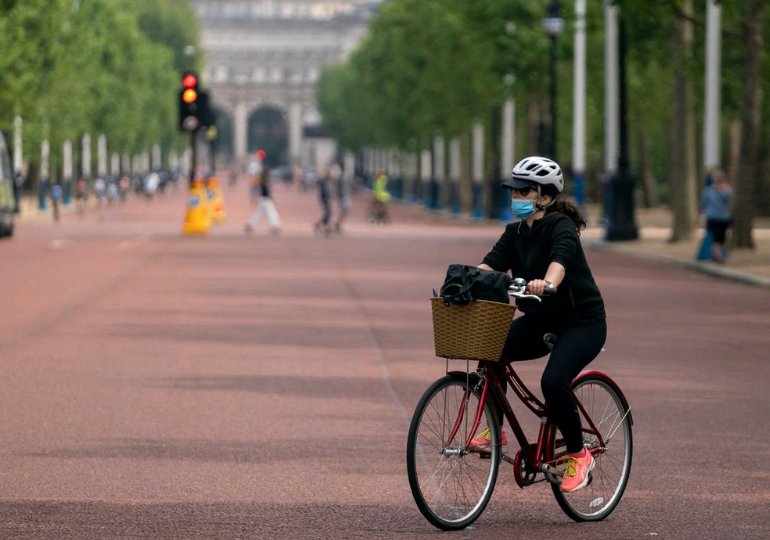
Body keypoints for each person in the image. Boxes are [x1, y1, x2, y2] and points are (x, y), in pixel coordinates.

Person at [474, 156, 606, 493]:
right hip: (540, 319)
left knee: (553, 381)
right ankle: (494, 430)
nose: (515, 196)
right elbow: (490, 264)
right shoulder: (514, 232)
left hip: (582, 323)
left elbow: (560, 260)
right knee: (491, 350)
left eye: (523, 191)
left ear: (544, 198)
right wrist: (466, 279)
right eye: (513, 190)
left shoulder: (560, 226)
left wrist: (546, 283)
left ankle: (579, 454)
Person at [699, 169, 733, 264]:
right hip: (712, 217)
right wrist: (700, 214)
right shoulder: (708, 190)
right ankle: (717, 256)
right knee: (715, 236)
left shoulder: (726, 189)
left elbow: (730, 199)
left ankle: (717, 254)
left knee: (721, 237)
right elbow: (703, 203)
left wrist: (724, 189)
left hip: (723, 217)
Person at [244, 166, 281, 234]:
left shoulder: (262, 181)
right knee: (271, 212)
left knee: (259, 213)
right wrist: (271, 198)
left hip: (263, 199)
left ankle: (251, 224)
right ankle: (275, 225)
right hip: (266, 199)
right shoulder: (265, 182)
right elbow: (266, 192)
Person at [315, 167, 333, 235]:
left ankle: (322, 224)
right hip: (325, 198)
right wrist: (325, 197)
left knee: (328, 213)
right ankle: (325, 226)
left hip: (326, 198)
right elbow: (324, 190)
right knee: (328, 212)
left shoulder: (327, 181)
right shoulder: (324, 181)